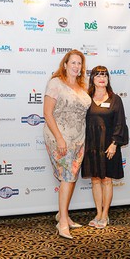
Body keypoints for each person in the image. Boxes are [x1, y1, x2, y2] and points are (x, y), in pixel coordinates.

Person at [44, 49, 92, 239]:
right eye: (73, 62)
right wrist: (60, 139)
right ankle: (63, 222)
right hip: (60, 137)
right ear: (65, 65)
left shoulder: (82, 86)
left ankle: (63, 214)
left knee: (71, 177)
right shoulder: (56, 83)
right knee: (67, 176)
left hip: (79, 138)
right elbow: (47, 113)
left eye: (79, 63)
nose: (76, 66)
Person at [82, 66, 129, 229]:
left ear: (108, 79)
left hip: (109, 146)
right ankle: (98, 213)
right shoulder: (86, 98)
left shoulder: (115, 99)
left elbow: (120, 123)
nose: (102, 78)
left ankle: (105, 215)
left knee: (107, 179)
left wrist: (115, 144)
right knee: (95, 180)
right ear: (92, 79)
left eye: (105, 75)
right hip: (91, 145)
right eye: (98, 75)